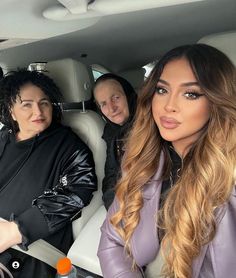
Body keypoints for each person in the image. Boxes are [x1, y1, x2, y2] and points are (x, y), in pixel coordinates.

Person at [97, 44, 236, 278]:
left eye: (190, 94)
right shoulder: (144, 161)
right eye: (162, 90)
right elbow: (112, 240)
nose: (169, 106)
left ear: (216, 101)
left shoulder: (230, 175)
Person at [0, 69, 97, 277]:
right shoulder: (3, 138)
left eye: (44, 103)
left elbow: (79, 189)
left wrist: (16, 230)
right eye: (27, 104)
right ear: (11, 110)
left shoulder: (68, 145)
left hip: (28, 255)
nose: (38, 112)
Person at [93, 73, 137, 210]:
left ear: (129, 96)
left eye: (116, 98)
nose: (112, 108)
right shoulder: (111, 132)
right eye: (103, 104)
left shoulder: (153, 124)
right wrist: (113, 208)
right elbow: (111, 175)